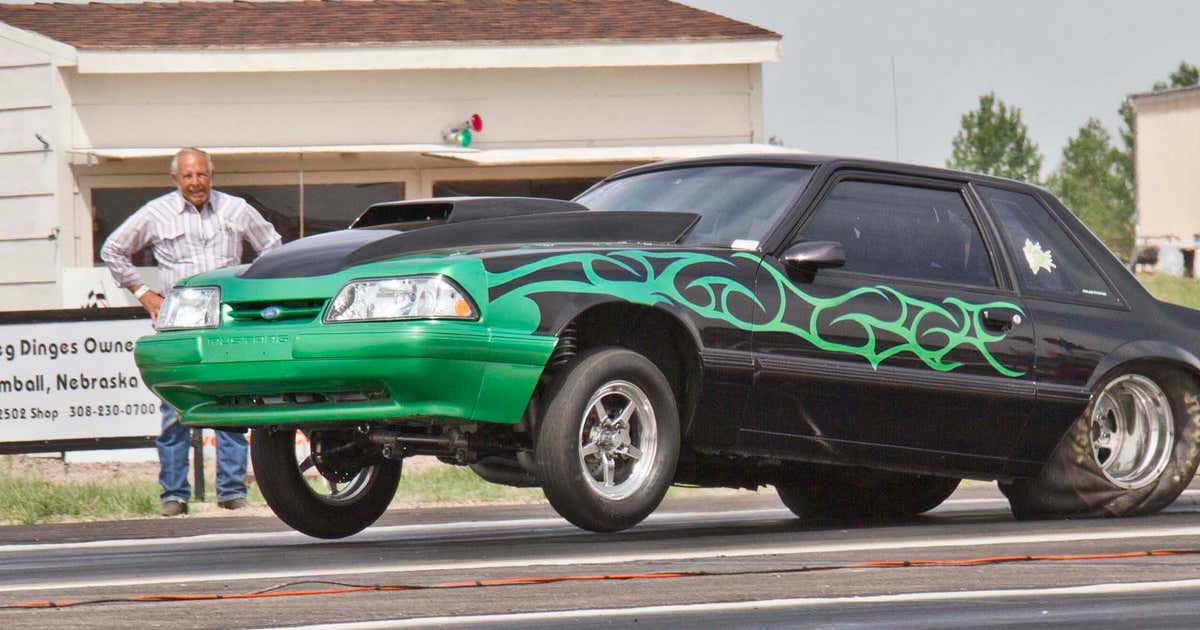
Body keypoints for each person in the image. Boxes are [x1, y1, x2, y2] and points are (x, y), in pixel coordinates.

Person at [101, 148, 282, 516]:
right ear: (175, 179)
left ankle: (232, 491)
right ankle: (174, 494)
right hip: (179, 323)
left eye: (202, 175)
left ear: (211, 176)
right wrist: (144, 293)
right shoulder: (156, 213)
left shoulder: (235, 209)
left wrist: (254, 290)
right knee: (174, 408)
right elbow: (113, 249)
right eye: (188, 176)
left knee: (231, 403)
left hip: (227, 321)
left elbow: (273, 246)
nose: (196, 183)